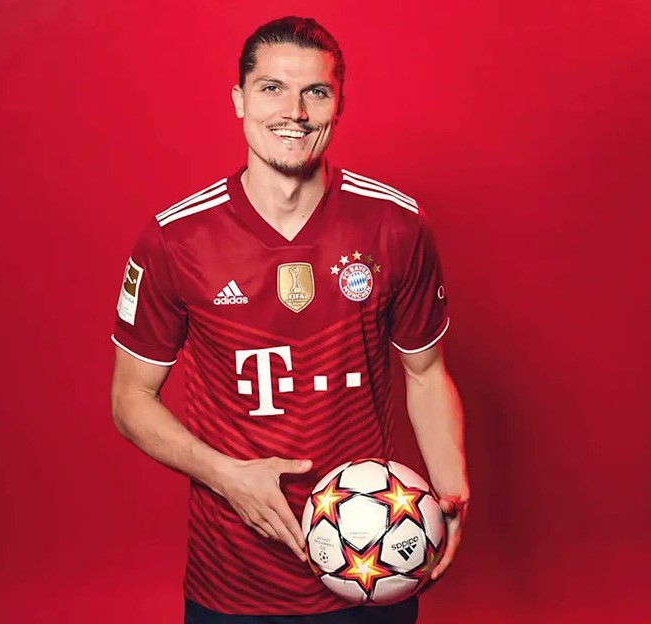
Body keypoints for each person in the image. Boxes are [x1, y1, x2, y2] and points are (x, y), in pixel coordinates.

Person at [110, 16, 469, 624]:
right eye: (272, 88)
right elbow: (129, 399)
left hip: (374, 566)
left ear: (339, 105)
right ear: (239, 99)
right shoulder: (176, 239)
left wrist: (453, 491)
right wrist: (227, 476)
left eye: (316, 92)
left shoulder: (396, 225)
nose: (295, 112)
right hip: (233, 576)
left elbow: (426, 373)